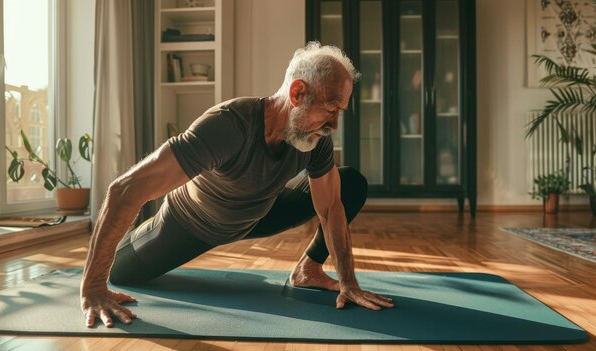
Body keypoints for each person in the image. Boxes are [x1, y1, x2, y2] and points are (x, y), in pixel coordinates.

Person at [80, 42, 394, 328]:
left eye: (339, 112)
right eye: (329, 109)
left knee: (348, 183)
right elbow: (123, 190)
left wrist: (348, 282)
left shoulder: (316, 140)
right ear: (297, 93)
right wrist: (94, 287)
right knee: (122, 275)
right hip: (189, 225)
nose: (334, 125)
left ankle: (306, 271)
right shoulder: (228, 126)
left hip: (257, 213)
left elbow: (329, 209)